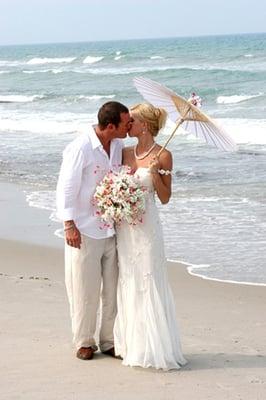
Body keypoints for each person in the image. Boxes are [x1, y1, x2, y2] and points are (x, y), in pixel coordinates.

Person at [56, 101, 132, 360]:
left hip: (111, 228)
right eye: (126, 123)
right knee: (84, 289)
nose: (129, 126)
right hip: (84, 229)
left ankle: (109, 340)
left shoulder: (118, 145)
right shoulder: (81, 148)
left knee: (112, 289)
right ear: (110, 126)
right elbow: (66, 187)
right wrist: (69, 224)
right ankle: (84, 341)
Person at [114, 103, 187, 370]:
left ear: (144, 124)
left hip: (147, 228)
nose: (127, 124)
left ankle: (154, 346)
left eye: (131, 120)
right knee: (128, 279)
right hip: (125, 228)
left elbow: (165, 198)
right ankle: (130, 343)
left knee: (148, 278)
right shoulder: (122, 152)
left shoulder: (164, 155)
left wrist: (155, 173)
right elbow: (113, 182)